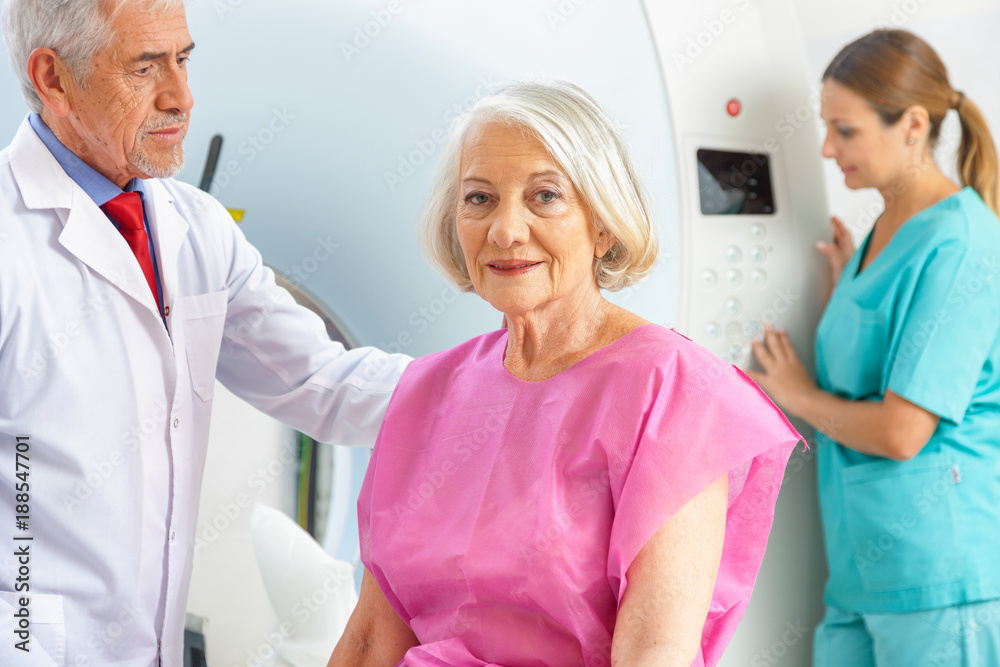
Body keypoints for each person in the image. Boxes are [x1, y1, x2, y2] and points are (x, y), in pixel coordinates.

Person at [328, 81, 802, 667]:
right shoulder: (426, 393)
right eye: (478, 198)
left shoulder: (673, 393)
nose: (505, 229)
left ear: (603, 225)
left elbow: (656, 651)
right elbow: (373, 636)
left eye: (544, 196)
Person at [0, 0, 409, 665]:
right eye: (145, 66)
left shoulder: (198, 229)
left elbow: (321, 381)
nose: (182, 96)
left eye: (184, 60)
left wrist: (505, 381)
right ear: (53, 79)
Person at [748, 29, 1000, 666]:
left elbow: (900, 432)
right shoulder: (879, 237)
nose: (828, 149)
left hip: (941, 580)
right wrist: (848, 289)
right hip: (861, 573)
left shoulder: (963, 244)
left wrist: (798, 395)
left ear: (912, 125)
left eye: (846, 130)